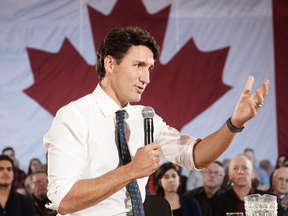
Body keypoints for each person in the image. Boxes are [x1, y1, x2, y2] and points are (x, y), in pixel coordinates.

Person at [44, 25, 269, 215]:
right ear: (110, 64)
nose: (147, 78)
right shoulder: (74, 116)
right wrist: (132, 170)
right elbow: (64, 199)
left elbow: (196, 156)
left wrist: (235, 123)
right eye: (138, 65)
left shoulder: (145, 118)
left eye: (149, 68)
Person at [211, 155, 283, 216]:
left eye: (245, 168)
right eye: (235, 168)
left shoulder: (270, 200)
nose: (240, 172)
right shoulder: (219, 202)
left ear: (252, 173)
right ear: (230, 174)